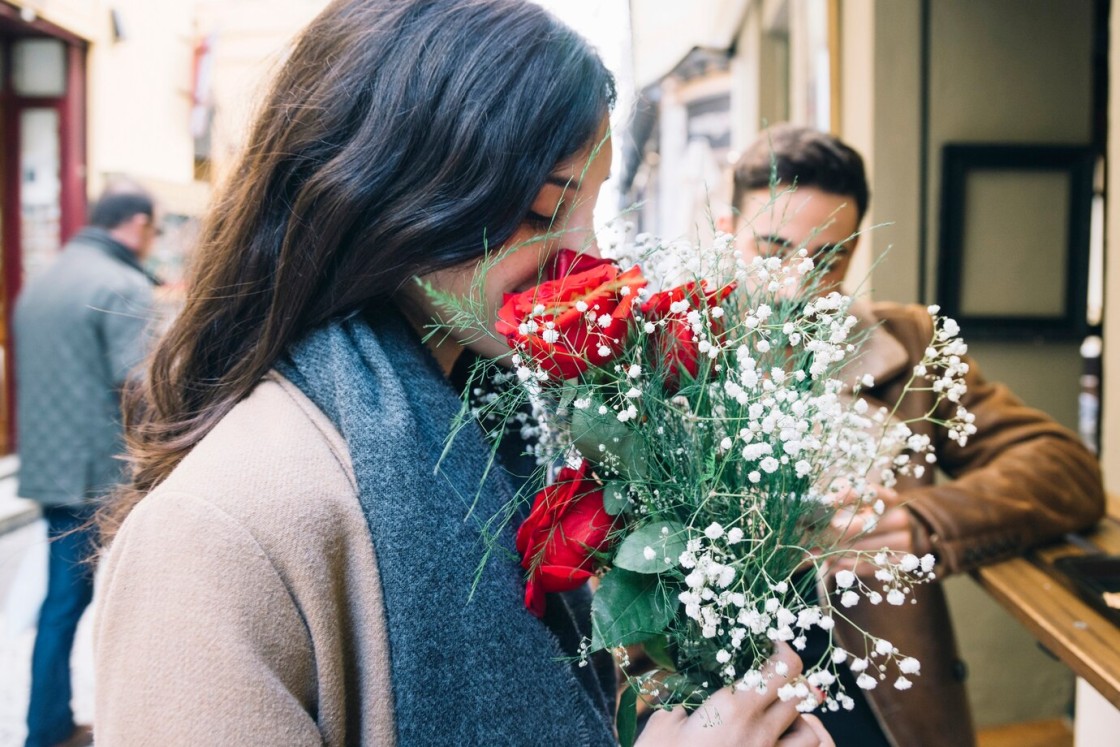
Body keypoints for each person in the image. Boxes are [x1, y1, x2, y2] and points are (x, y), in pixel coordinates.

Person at [92, 3, 833, 745]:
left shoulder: (498, 441)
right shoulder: (218, 534)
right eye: (545, 210)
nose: (591, 256)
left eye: (593, 210)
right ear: (392, 194)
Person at [729, 123, 1105, 747]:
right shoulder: (664, 349)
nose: (797, 283)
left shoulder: (910, 343)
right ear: (725, 230)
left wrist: (927, 520)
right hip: (725, 700)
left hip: (882, 695)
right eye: (773, 250)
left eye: (828, 259)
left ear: (855, 252)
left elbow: (1064, 467)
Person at [15, 185, 160, 747]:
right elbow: (139, 384)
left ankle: (45, 724)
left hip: (52, 465)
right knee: (132, 600)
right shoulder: (119, 285)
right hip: (103, 471)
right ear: (138, 224)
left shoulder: (46, 279)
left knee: (60, 604)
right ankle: (134, 726)